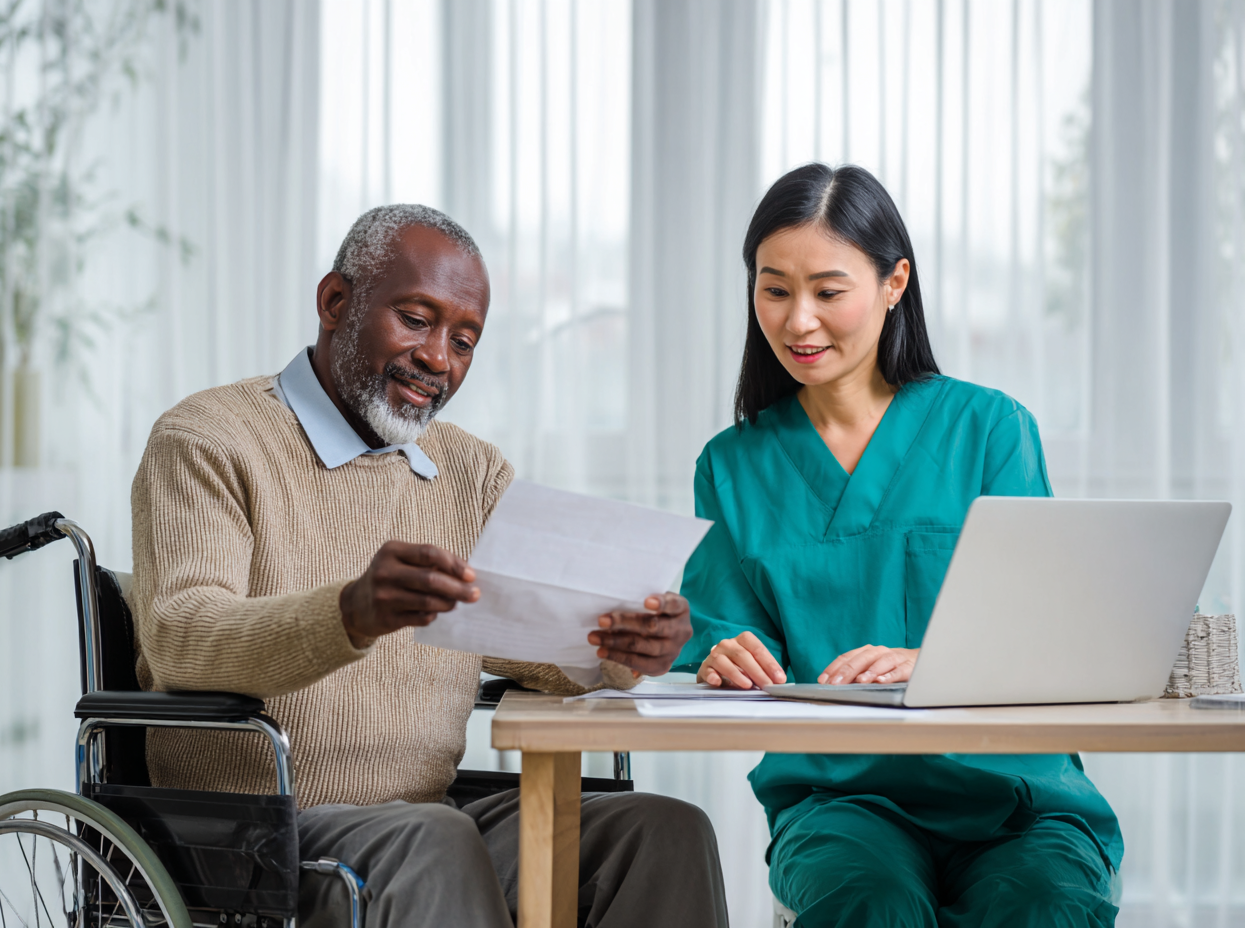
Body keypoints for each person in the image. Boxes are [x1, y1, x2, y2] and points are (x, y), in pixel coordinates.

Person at [130, 204, 727, 928]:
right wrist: (349, 613)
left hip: (425, 821)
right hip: (259, 841)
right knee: (436, 839)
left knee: (662, 832)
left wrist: (622, 644)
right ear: (334, 302)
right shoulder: (208, 440)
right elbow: (181, 637)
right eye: (416, 319)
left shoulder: (470, 472)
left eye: (465, 341)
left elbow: (531, 635)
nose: (439, 359)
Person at [672, 164, 1121, 927]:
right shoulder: (732, 464)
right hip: (840, 798)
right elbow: (716, 623)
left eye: (828, 290)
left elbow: (1043, 627)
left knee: (1045, 906)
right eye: (774, 289)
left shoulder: (989, 430)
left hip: (1016, 795)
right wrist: (720, 652)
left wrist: (940, 662)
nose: (798, 321)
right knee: (870, 904)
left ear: (894, 282)